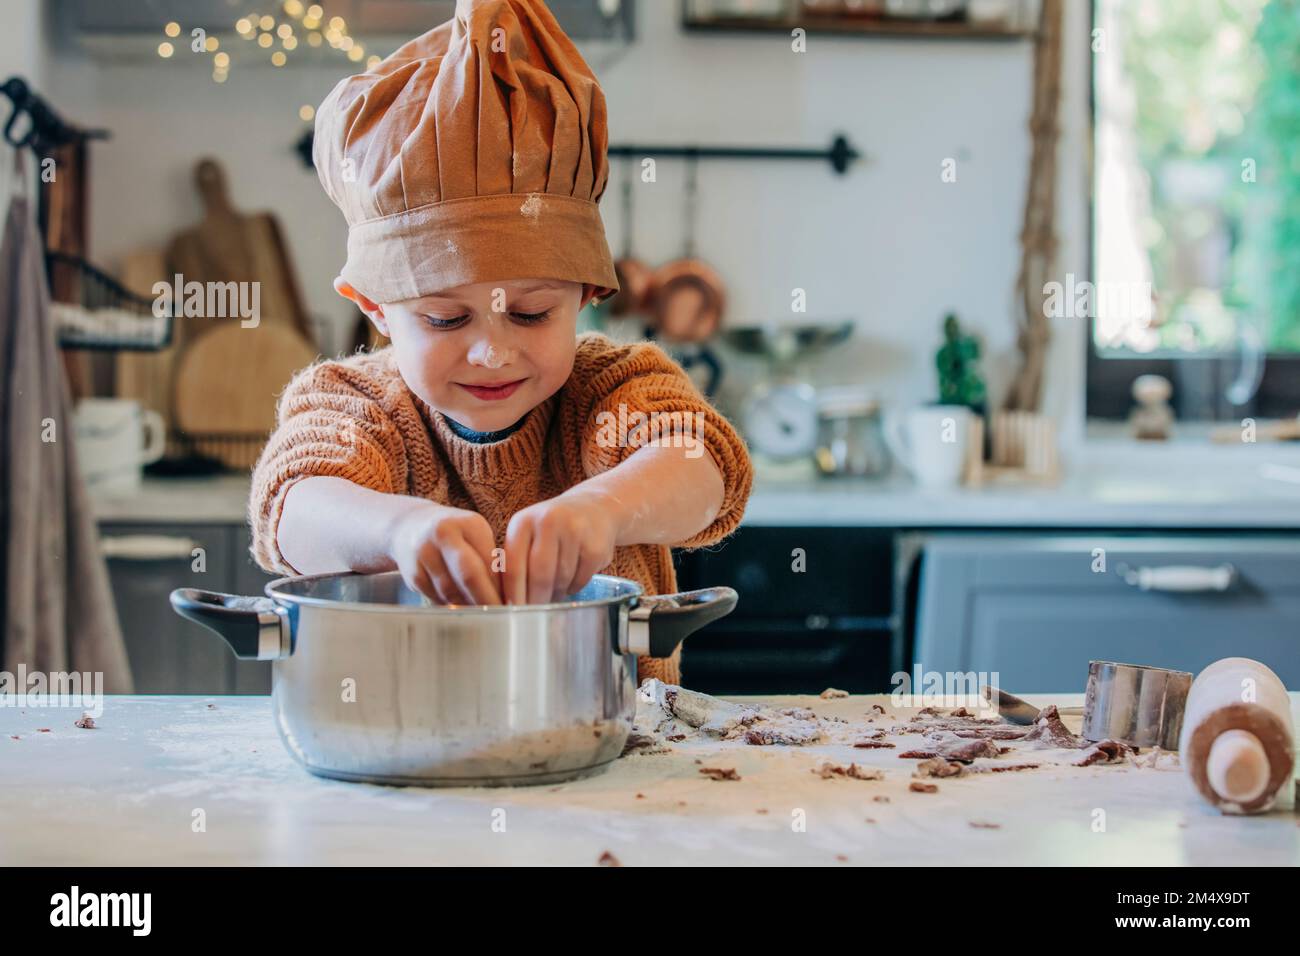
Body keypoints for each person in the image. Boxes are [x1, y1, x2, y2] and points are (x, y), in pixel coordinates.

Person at [247, 0, 753, 684]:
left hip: (623, 759)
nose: (491, 352)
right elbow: (292, 505)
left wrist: (602, 507)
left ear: (587, 294)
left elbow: (704, 469)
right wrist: (397, 529)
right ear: (375, 308)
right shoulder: (357, 404)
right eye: (446, 320)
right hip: (404, 767)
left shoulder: (608, 390)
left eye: (532, 312)